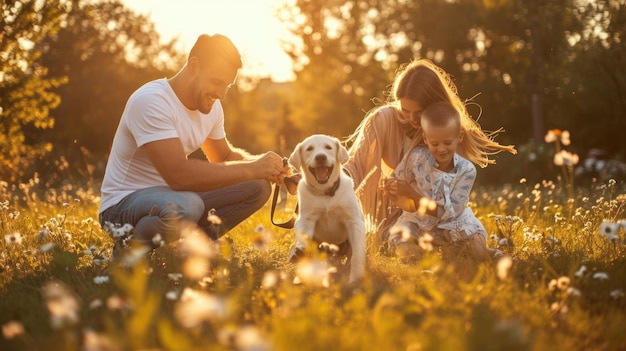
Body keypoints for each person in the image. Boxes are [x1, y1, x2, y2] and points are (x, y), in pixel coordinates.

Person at [98, 34, 287, 253]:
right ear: (194, 66)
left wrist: (268, 167)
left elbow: (223, 158)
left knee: (257, 186)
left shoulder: (211, 106)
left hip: (172, 198)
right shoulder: (152, 101)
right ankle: (129, 251)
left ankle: (190, 252)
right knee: (187, 206)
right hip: (122, 206)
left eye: (227, 85)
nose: (221, 94)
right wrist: (253, 168)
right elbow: (178, 176)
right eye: (216, 82)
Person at [343, 59, 516, 245]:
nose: (411, 118)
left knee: (465, 246)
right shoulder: (384, 120)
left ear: (434, 103)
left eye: (418, 112)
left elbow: (447, 206)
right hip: (397, 215)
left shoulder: (448, 135)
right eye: (405, 110)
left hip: (437, 219)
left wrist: (411, 194)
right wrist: (333, 180)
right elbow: (356, 163)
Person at [381, 102, 491, 275]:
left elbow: (447, 213)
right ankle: (427, 259)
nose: (441, 149)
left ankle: (489, 253)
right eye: (434, 143)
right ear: (425, 139)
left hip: (454, 225)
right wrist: (392, 188)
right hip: (418, 222)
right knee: (405, 248)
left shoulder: (466, 170)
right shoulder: (416, 157)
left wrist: (412, 194)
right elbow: (397, 181)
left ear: (459, 137)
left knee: (478, 254)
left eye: (447, 143)